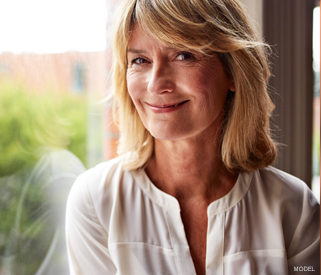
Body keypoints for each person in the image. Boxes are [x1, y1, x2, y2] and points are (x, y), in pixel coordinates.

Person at [65, 0, 320, 274]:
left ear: (233, 71)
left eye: (183, 55)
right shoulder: (95, 201)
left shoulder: (295, 209)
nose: (155, 83)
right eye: (140, 60)